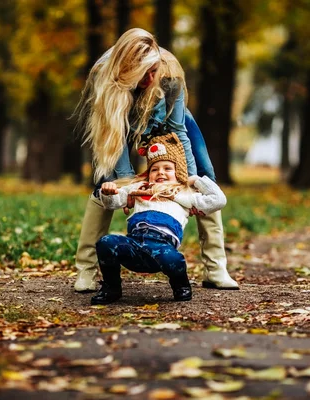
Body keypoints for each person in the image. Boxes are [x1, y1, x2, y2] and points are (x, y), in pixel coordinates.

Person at [73, 27, 239, 292]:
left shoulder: (169, 74)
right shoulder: (102, 75)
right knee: (106, 184)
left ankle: (216, 269)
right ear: (126, 70)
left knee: (206, 176)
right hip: (116, 125)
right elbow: (113, 138)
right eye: (144, 73)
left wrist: (189, 180)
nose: (151, 78)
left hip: (168, 122)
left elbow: (179, 130)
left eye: (154, 71)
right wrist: (126, 186)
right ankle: (86, 270)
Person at [91, 132, 227, 304]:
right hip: (134, 244)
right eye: (154, 169)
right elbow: (113, 203)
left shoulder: (184, 194)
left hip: (162, 246)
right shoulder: (140, 187)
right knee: (105, 242)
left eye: (167, 168)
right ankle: (111, 287)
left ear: (178, 172)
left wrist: (195, 180)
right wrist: (108, 192)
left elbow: (219, 200)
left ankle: (181, 284)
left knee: (174, 259)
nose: (160, 172)